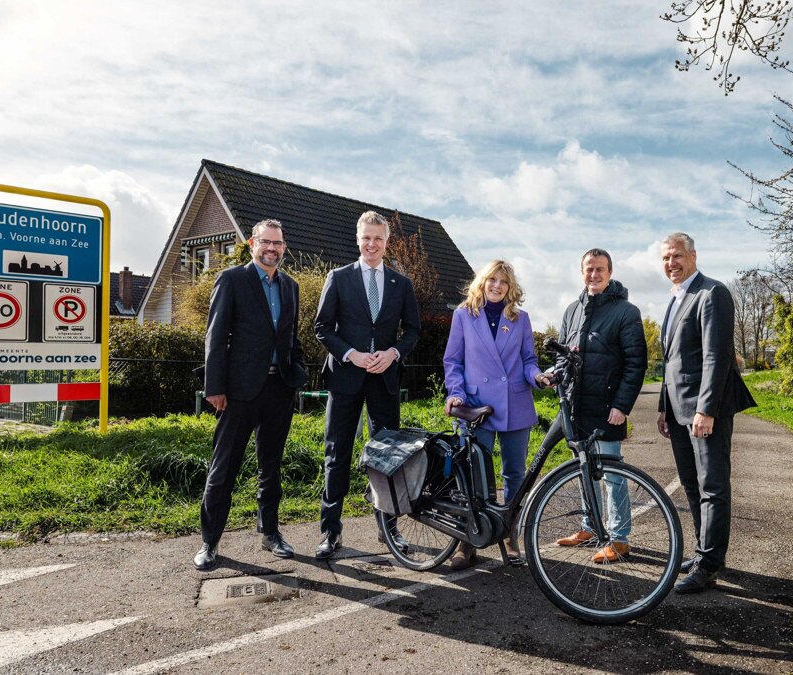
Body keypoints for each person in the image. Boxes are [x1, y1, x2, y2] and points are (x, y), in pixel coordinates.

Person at [195, 219, 309, 571]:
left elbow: (291, 337)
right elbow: (216, 335)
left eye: (278, 243)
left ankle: (270, 532)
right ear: (252, 243)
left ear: (284, 247)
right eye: (266, 242)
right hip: (239, 393)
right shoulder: (232, 279)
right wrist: (215, 387)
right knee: (223, 468)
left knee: (271, 467)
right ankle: (210, 542)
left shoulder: (290, 286)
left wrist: (298, 373)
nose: (272, 248)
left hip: (279, 390)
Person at [314, 210, 421, 559]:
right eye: (366, 237)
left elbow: (414, 331)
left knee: (388, 457)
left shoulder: (400, 284)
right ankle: (330, 532)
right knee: (337, 454)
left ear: (386, 243)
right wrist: (350, 355)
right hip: (346, 378)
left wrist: (393, 353)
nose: (372, 244)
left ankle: (388, 531)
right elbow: (323, 327)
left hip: (384, 380)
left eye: (378, 238)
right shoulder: (338, 277)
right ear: (357, 239)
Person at [656, 232, 757, 593]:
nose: (671, 263)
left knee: (712, 487)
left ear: (693, 255)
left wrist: (707, 409)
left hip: (703, 411)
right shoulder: (675, 300)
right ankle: (704, 553)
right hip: (678, 411)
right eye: (666, 258)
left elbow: (717, 356)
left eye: (677, 256)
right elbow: (673, 362)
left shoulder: (712, 294)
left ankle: (710, 565)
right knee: (690, 485)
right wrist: (663, 408)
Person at [442, 260, 546, 570]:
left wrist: (537, 376)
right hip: (476, 404)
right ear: (482, 282)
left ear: (510, 287)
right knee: (474, 475)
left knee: (515, 473)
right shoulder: (463, 315)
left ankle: (509, 534)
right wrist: (456, 392)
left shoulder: (520, 318)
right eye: (492, 280)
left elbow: (528, 360)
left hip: (515, 403)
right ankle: (467, 539)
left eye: (503, 281)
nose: (497, 285)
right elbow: (453, 361)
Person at [550, 248, 647, 564]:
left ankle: (619, 539)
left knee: (612, 475)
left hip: (608, 408)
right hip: (577, 408)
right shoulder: (572, 310)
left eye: (600, 269)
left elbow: (636, 362)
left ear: (610, 272)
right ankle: (589, 527)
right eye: (589, 269)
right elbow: (562, 355)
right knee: (584, 472)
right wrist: (557, 377)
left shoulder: (625, 311)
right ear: (582, 272)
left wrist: (622, 405)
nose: (594, 274)